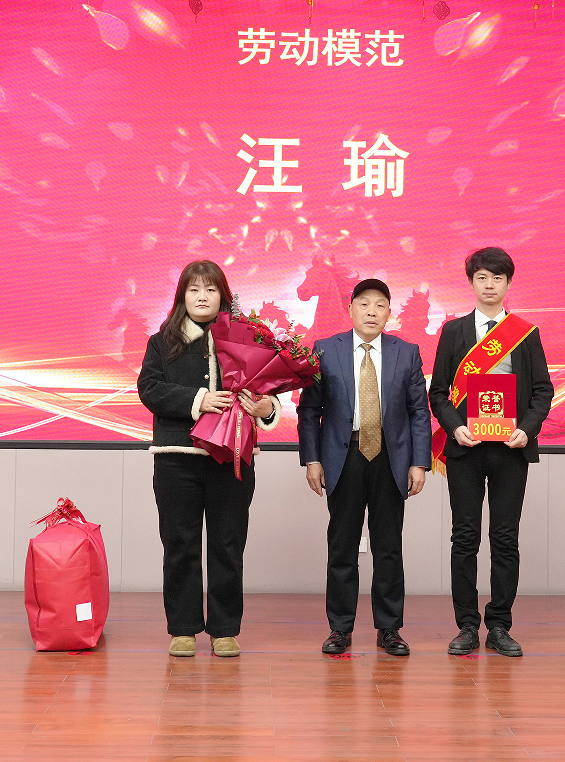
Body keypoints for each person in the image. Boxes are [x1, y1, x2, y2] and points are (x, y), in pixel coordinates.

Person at [138, 260, 279, 658]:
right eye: (194, 289)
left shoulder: (245, 340)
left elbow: (266, 389)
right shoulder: (162, 342)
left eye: (211, 289)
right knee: (180, 545)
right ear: (182, 296)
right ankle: (182, 629)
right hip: (177, 459)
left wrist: (267, 407)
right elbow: (149, 389)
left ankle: (224, 629)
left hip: (231, 459)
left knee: (227, 545)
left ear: (223, 296)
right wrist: (198, 400)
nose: (202, 296)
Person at [428, 247, 554, 658]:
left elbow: (542, 391)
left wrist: (526, 429)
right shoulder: (454, 331)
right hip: (466, 447)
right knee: (464, 537)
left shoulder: (525, 332)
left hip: (510, 449)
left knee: (505, 538)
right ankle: (466, 625)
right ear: (471, 282)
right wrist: (455, 426)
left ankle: (499, 625)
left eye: (497, 278)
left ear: (508, 283)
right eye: (481, 277)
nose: (489, 285)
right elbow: (439, 392)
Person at [298, 279, 432, 656]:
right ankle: (340, 628)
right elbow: (309, 410)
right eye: (364, 304)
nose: (372, 311)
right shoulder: (325, 350)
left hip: (391, 457)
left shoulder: (406, 352)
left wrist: (419, 462)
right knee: (342, 546)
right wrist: (312, 459)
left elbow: (419, 411)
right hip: (344, 456)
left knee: (388, 546)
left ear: (388, 313)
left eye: (380, 305)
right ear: (351, 309)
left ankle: (389, 629)